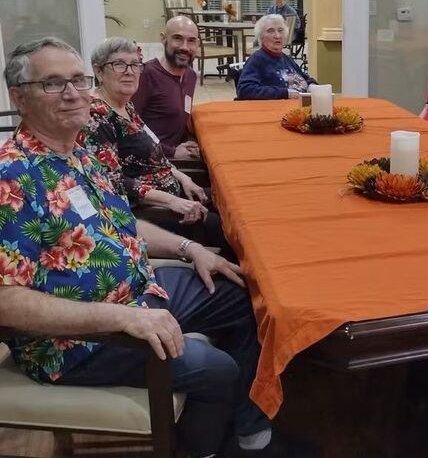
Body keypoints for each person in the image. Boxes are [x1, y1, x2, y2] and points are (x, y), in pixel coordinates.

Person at [0, 37, 313, 457]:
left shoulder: (79, 154)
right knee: (215, 370)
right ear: (19, 98)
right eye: (53, 84)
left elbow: (124, 224)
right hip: (76, 340)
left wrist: (189, 248)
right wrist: (119, 318)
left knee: (247, 300)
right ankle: (204, 449)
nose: (73, 94)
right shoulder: (12, 177)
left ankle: (249, 434)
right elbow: (6, 301)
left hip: (141, 292)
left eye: (77, 80)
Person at [80, 37, 231, 253]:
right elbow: (110, 181)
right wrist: (171, 201)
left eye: (135, 65)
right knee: (225, 229)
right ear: (98, 71)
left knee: (230, 205)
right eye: (119, 64)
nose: (130, 71)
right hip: (147, 212)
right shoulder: (97, 116)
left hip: (172, 193)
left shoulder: (126, 106)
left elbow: (154, 148)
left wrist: (182, 176)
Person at [131, 16, 200, 160]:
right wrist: (171, 152)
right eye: (177, 38)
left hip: (178, 153)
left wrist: (191, 142)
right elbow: (132, 130)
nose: (185, 47)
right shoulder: (146, 75)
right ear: (163, 38)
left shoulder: (191, 76)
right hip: (152, 160)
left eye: (191, 41)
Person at [237, 14, 317, 100]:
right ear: (261, 36)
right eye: (270, 31)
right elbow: (245, 90)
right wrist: (284, 93)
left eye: (280, 30)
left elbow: (304, 78)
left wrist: (312, 85)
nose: (277, 36)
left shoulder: (286, 59)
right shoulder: (257, 59)